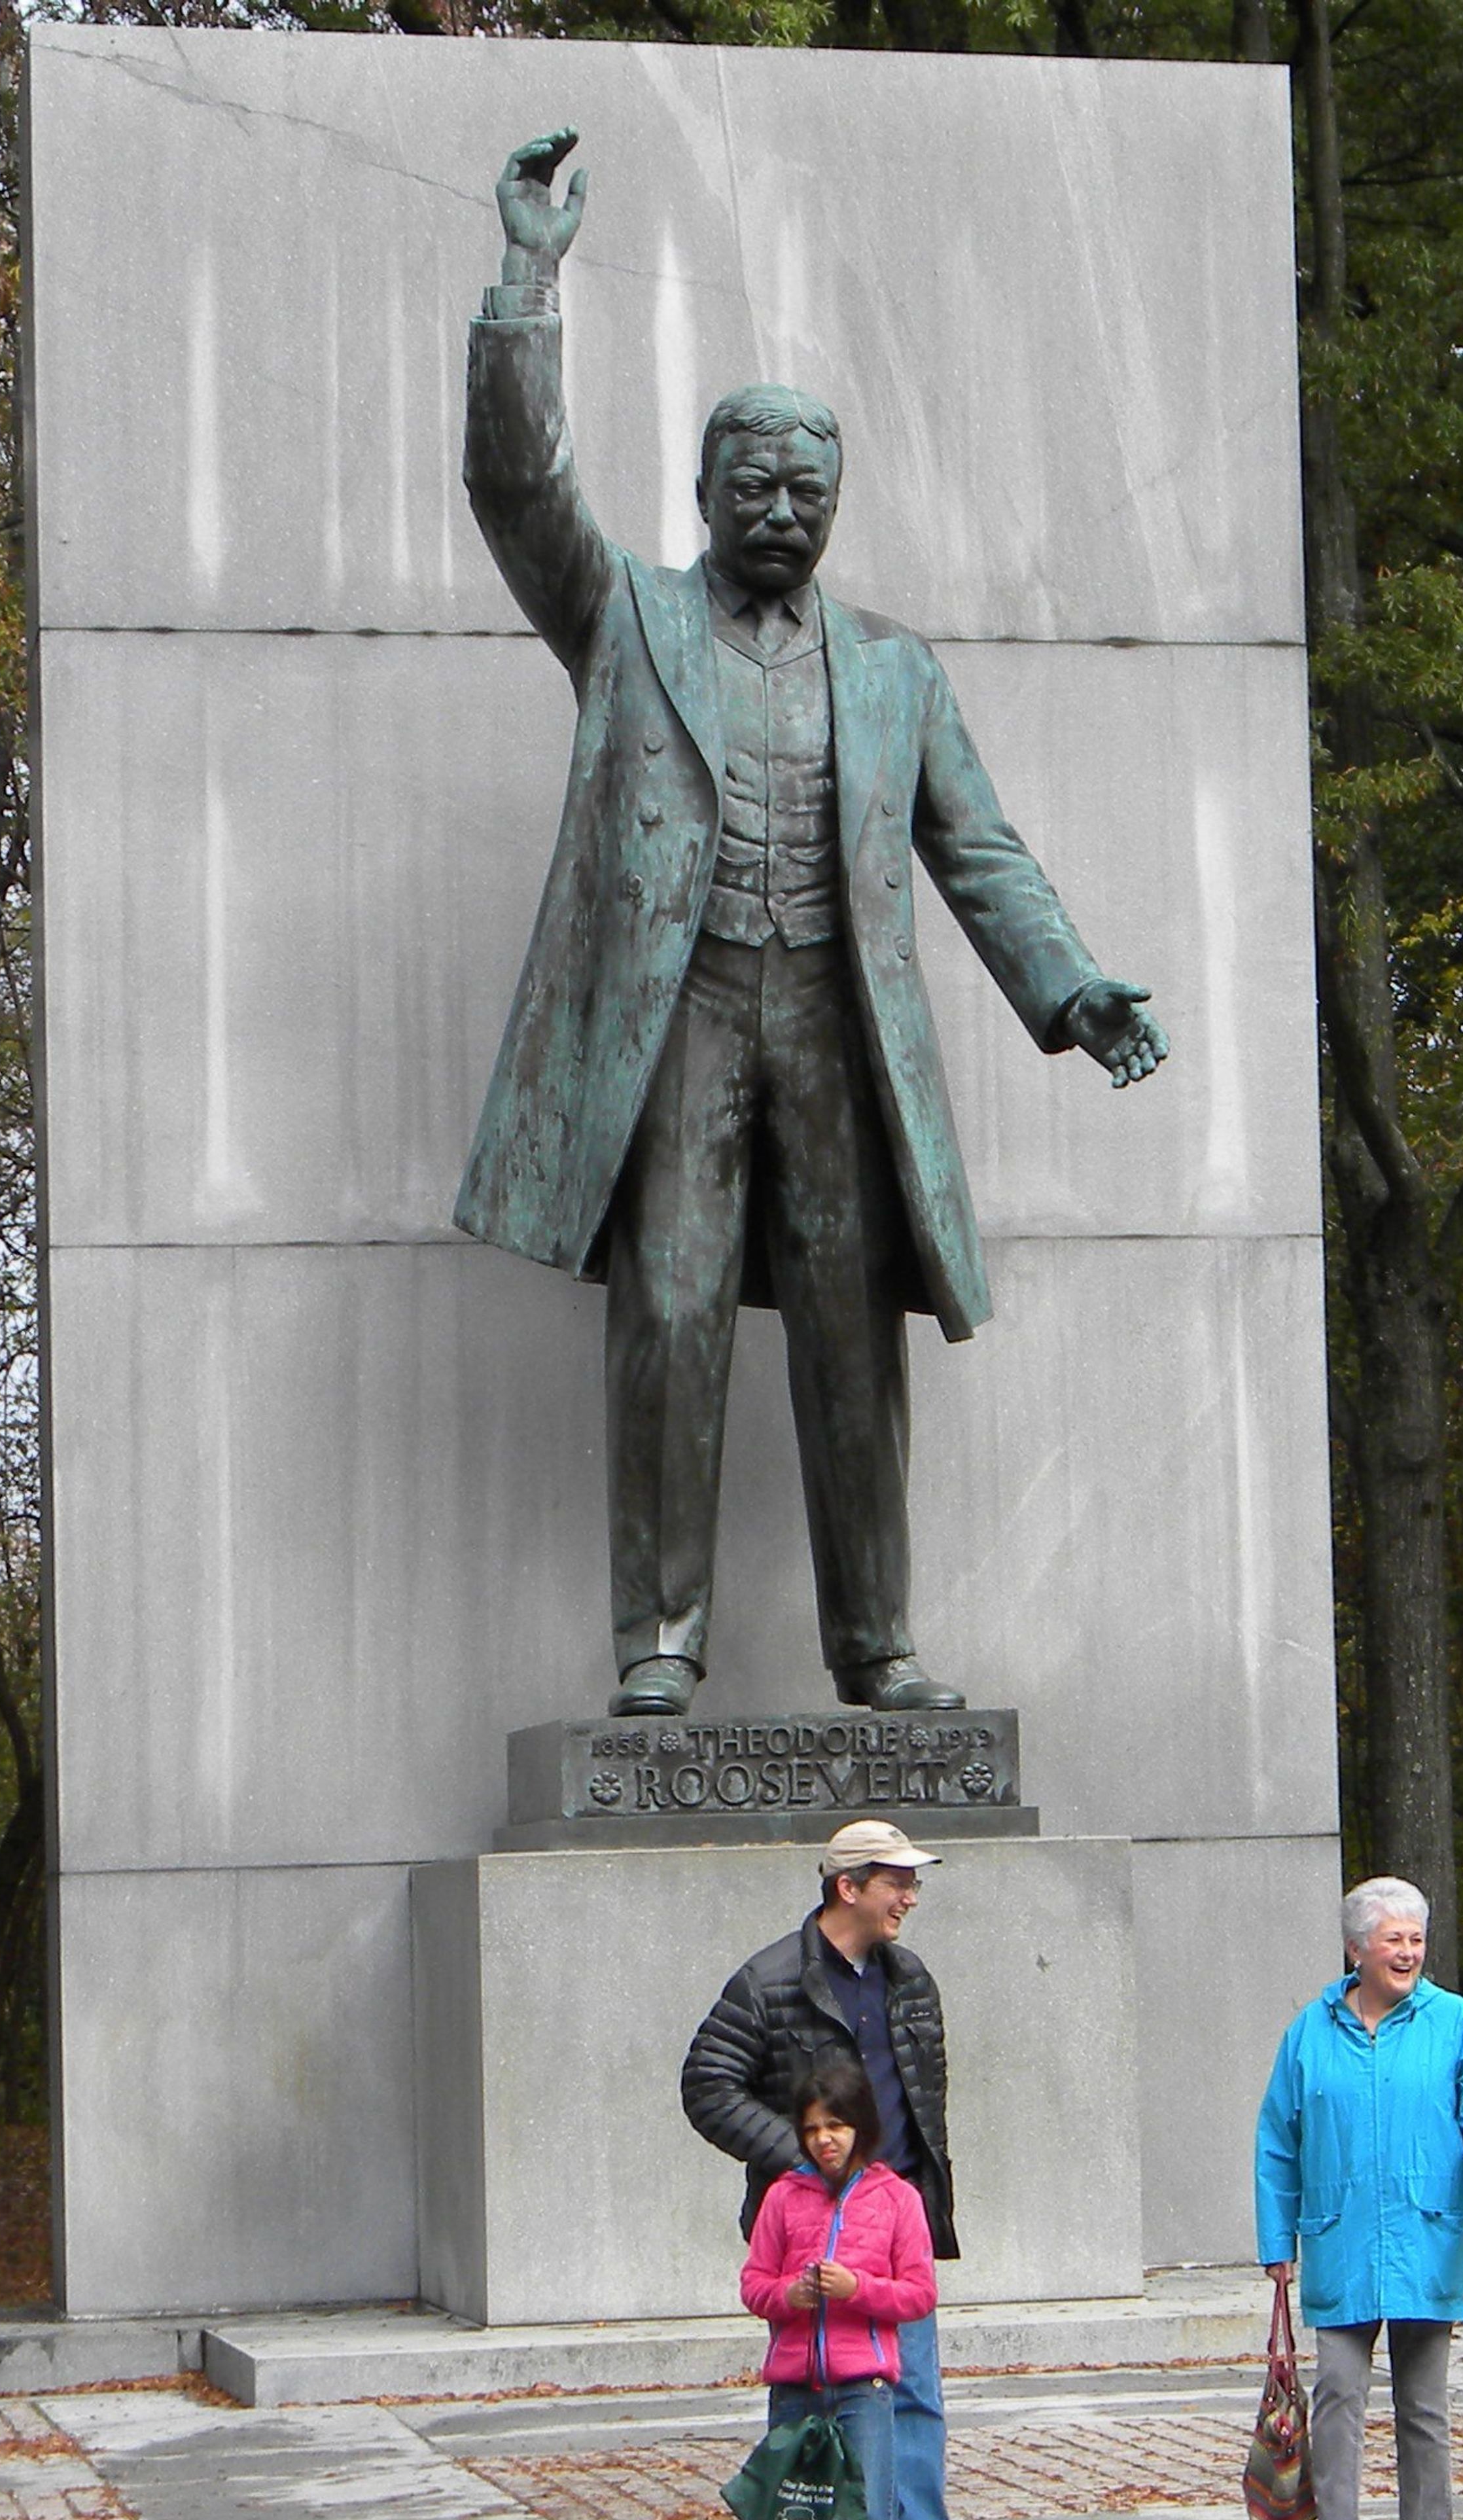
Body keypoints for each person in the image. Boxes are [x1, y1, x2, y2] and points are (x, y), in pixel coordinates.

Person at [456, 128, 1169, 1721]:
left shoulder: (896, 668)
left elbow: (976, 848)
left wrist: (1068, 991)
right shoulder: (625, 614)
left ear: (835, 506)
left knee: (853, 1334)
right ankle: (658, 1639)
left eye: (807, 486)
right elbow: (515, 485)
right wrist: (526, 278)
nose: (780, 506)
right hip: (681, 1011)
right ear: (702, 493)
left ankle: (879, 1646)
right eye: (752, 481)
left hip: (837, 1029)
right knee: (670, 1310)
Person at [682, 1819, 967, 2520]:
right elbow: (708, 2083)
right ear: (850, 1887)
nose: (910, 1896)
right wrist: (801, 2161)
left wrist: (914, 2199)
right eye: (896, 1882)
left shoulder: (911, 1979)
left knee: (913, 2390)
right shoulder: (769, 1980)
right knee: (820, 2409)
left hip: (895, 2221)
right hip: (810, 2235)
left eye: (913, 1880)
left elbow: (924, 2102)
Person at [1254, 1875, 1463, 2520]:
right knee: (1338, 2390)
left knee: (1422, 2403)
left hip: (1425, 2239)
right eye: (1393, 1938)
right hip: (1339, 2240)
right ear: (1355, 1947)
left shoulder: (1455, 2022)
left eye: (1416, 1938)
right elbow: (1279, 2140)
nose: (1407, 1952)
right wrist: (1277, 2241)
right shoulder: (1310, 2030)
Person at [738, 2057, 936, 2520]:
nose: (826, 2138)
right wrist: (790, 2294)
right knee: (794, 2518)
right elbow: (754, 2283)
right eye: (814, 2127)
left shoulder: (897, 2197)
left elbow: (918, 2292)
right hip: (796, 2385)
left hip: (865, 2388)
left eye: (839, 2124)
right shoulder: (783, 2197)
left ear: (862, 2127)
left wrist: (859, 2290)